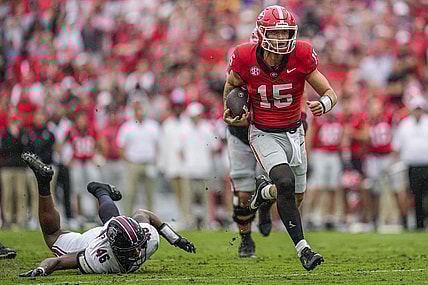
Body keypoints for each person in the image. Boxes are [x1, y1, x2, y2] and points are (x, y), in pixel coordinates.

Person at [223, 6, 337, 271]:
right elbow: (231, 86)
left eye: (286, 32)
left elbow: (329, 91)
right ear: (261, 36)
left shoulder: (302, 54)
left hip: (293, 130)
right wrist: (229, 111)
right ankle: (263, 242)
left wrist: (325, 103)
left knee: (294, 196)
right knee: (252, 190)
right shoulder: (244, 56)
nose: (282, 38)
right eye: (276, 33)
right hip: (258, 130)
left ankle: (266, 193)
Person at [19, 152, 195, 277]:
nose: (138, 251)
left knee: (114, 221)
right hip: (91, 241)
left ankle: (101, 191)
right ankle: (43, 183)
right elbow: (56, 262)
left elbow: (143, 213)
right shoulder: (98, 257)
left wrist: (175, 239)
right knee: (53, 236)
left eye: (138, 245)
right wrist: (41, 270)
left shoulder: (148, 239)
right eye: (132, 249)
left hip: (113, 231)